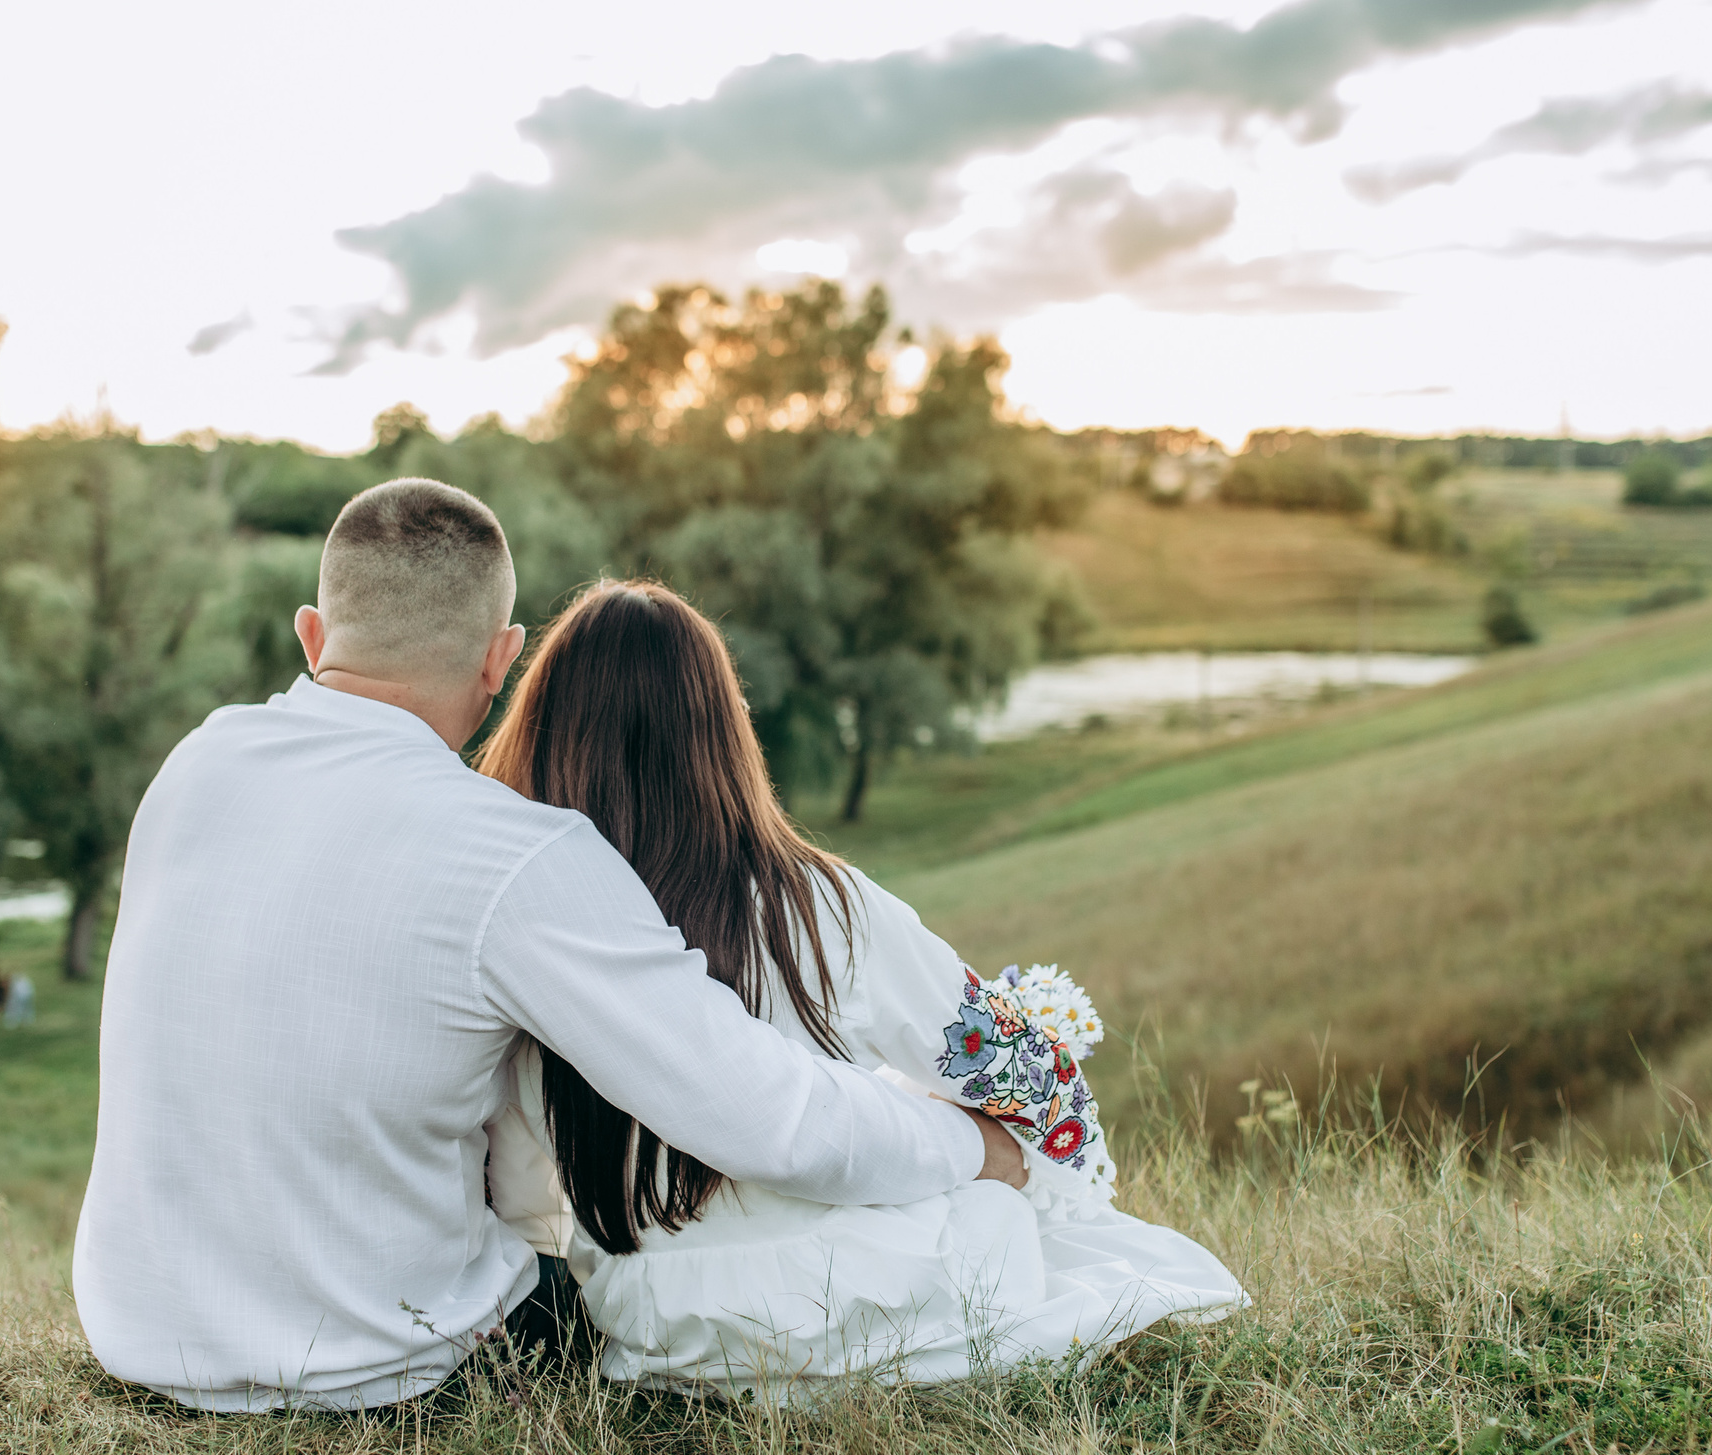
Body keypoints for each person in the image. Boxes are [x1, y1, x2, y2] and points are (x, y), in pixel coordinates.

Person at [72, 480, 1026, 1413]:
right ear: (500, 660)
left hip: (143, 1338)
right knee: (614, 1297)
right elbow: (768, 1117)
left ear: (311, 636)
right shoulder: (515, 855)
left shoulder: (194, 765)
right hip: (381, 1363)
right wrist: (967, 1142)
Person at [480, 581, 1246, 1397]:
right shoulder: (818, 907)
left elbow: (528, 1201)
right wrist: (1051, 1165)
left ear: (548, 734)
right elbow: (997, 1055)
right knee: (1000, 1204)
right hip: (861, 1298)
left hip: (661, 1328)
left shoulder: (534, 937)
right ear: (721, 733)